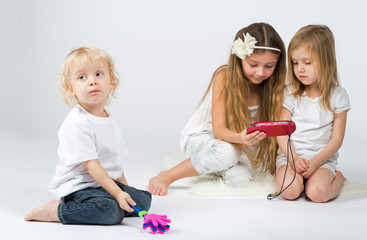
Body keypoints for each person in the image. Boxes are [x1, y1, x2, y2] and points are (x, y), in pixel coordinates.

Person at [149, 23, 286, 196]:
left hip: (234, 144)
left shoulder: (272, 87)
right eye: (253, 64)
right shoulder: (223, 76)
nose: (260, 72)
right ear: (240, 58)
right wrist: (240, 138)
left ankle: (209, 164)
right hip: (205, 135)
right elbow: (219, 130)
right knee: (227, 153)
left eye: (269, 66)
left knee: (240, 180)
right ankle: (167, 176)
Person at [24, 47, 151, 224]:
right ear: (71, 88)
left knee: (144, 200)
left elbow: (115, 163)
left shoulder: (109, 119)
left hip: (102, 185)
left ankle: (110, 202)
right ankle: (56, 211)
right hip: (80, 187)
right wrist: (117, 194)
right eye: (82, 77)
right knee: (110, 212)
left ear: (111, 82)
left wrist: (126, 192)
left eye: (99, 74)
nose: (92, 81)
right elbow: (91, 165)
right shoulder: (78, 122)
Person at [275, 25, 350, 203]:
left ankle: (338, 180)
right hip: (291, 158)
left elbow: (337, 139)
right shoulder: (290, 93)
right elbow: (281, 133)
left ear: (326, 61)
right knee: (289, 191)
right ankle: (299, 182)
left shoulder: (338, 96)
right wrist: (294, 159)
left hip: (321, 160)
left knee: (318, 194)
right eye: (295, 62)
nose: (300, 69)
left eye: (307, 63)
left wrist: (315, 163)